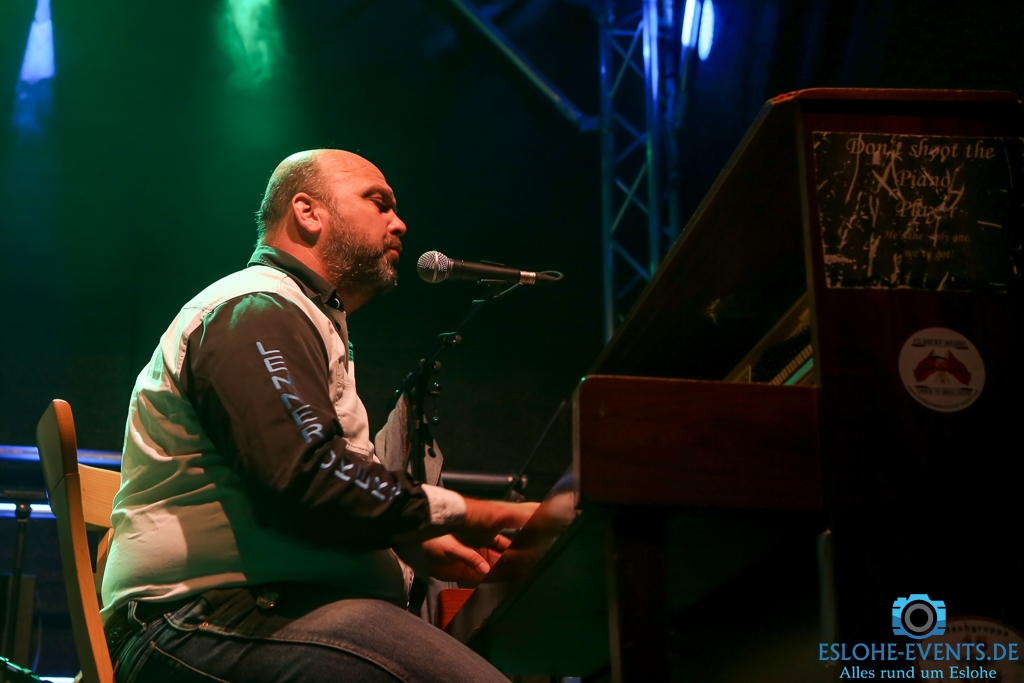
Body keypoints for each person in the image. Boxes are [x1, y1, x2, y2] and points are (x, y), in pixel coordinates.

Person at [100, 149, 539, 682]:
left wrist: (406, 539)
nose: (399, 223)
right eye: (379, 203)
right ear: (308, 212)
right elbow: (305, 476)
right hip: (204, 623)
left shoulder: (298, 314)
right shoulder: (255, 306)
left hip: (252, 613)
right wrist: (475, 512)